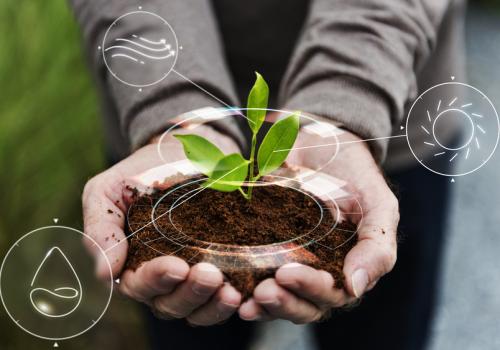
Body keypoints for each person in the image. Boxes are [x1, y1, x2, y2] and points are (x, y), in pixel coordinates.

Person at [71, 0, 466, 349]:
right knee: (186, 313)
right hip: (158, 135)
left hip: (388, 103)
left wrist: (349, 97)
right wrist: (173, 104)